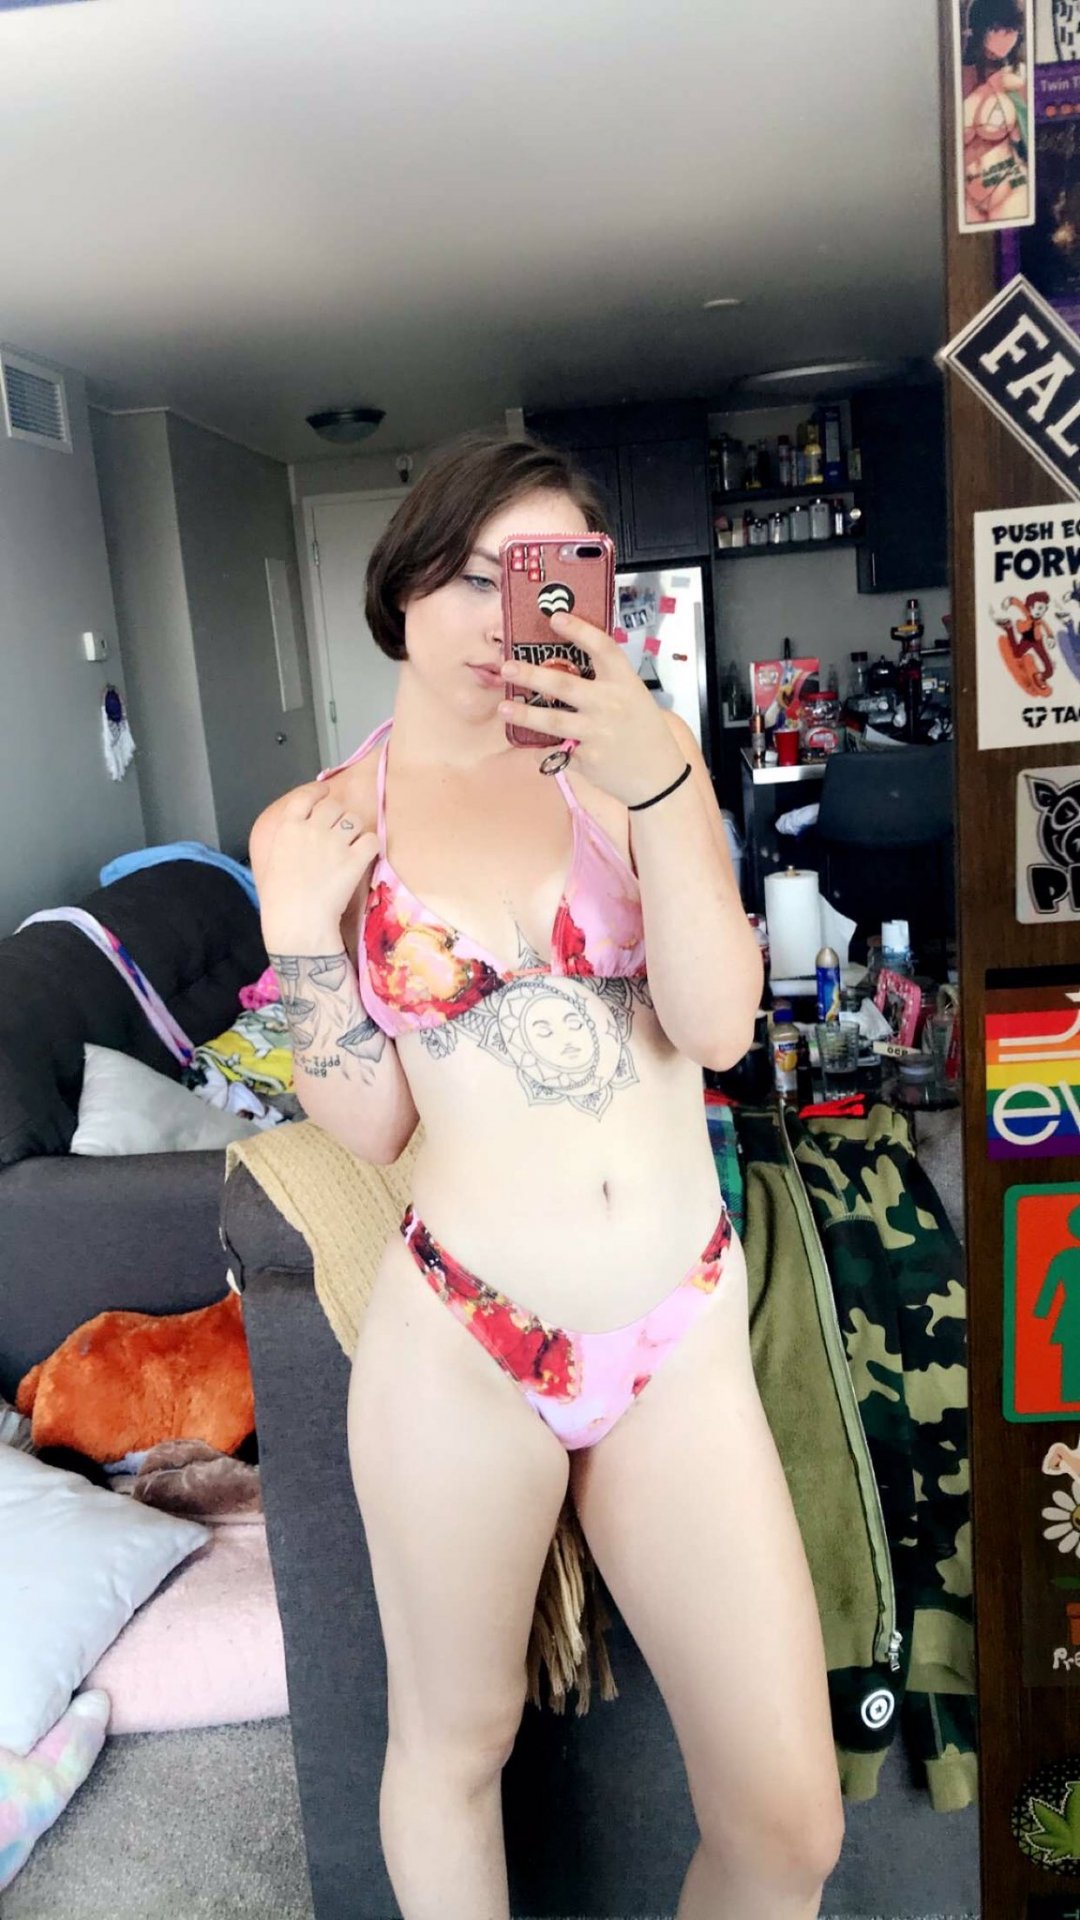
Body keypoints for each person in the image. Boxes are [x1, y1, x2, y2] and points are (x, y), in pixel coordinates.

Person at [249, 432, 844, 1920]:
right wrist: (299, 927)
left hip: (675, 1330)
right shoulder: (324, 822)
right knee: (456, 1749)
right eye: (469, 576)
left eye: (543, 579)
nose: (504, 616)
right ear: (400, 590)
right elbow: (368, 1124)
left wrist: (668, 784)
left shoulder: (631, 765)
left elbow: (717, 1029)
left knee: (789, 1826)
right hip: (466, 1341)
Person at [961, 0, 1030, 225]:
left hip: (1008, 185)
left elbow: (1030, 136)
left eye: (1010, 30)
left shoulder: (1017, 77)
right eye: (995, 28)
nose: (1002, 37)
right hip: (964, 193)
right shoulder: (959, 77)